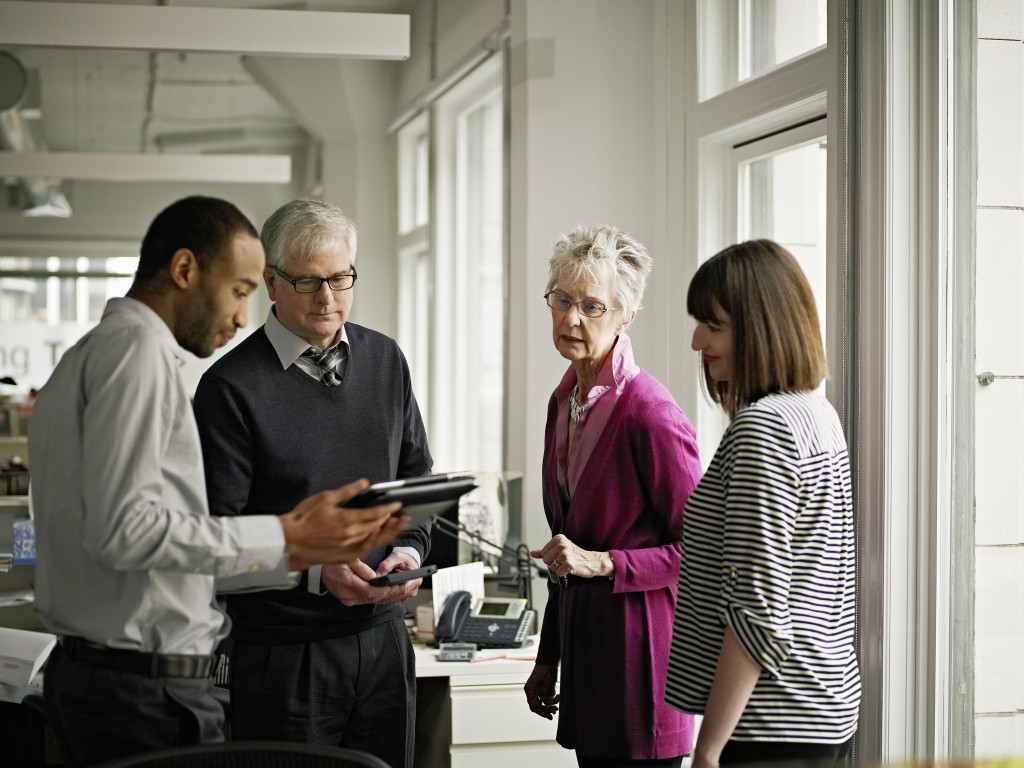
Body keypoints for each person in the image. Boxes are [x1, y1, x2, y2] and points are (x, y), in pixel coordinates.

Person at [28, 195, 407, 768]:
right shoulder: (137, 355)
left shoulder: (95, 352)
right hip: (143, 682)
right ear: (184, 271)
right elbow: (129, 531)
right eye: (239, 292)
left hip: (118, 676)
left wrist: (300, 546)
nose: (238, 319)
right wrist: (291, 542)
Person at [192, 199, 432, 768]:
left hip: (384, 641)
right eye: (308, 282)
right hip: (284, 654)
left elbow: (417, 478)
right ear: (271, 284)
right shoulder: (228, 388)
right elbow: (214, 542)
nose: (329, 298)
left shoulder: (386, 360)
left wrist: (407, 549)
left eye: (341, 278)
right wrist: (313, 576)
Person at [665, 239, 860, 767]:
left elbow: (757, 610)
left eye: (714, 324)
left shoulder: (764, 429)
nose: (696, 340)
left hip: (774, 724)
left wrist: (707, 752)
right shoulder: (816, 414)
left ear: (763, 326)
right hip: (821, 710)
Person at [524, 224, 703, 767]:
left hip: (643, 671)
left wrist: (603, 562)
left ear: (626, 316)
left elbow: (702, 549)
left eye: (593, 307)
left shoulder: (650, 414)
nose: (572, 318)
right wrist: (547, 657)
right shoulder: (563, 402)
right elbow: (567, 548)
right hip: (588, 663)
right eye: (562, 299)